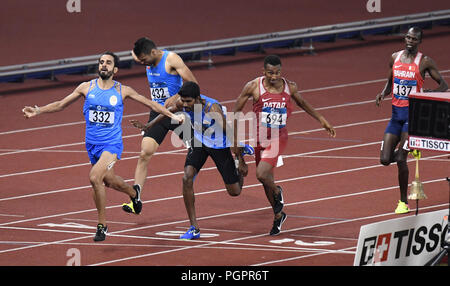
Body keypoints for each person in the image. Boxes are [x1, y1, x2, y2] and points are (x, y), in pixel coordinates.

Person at [22, 52, 183, 241]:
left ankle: (102, 225)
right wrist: (38, 110)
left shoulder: (123, 90)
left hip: (112, 145)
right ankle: (134, 195)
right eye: (101, 62)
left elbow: (151, 104)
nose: (103, 65)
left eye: (108, 63)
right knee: (109, 181)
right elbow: (61, 105)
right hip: (92, 145)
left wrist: (173, 116)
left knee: (94, 178)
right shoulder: (86, 87)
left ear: (115, 69)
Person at [131, 81, 253, 240]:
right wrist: (149, 126)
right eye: (183, 101)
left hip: (219, 145)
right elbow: (167, 112)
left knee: (235, 192)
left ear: (198, 99)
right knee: (186, 177)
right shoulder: (182, 102)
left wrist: (240, 160)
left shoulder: (212, 109)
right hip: (199, 142)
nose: (185, 105)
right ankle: (194, 228)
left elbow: (230, 133)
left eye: (189, 101)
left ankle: (238, 162)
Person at [233, 55, 336, 235]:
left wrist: (321, 119)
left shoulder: (290, 87)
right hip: (259, 139)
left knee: (261, 174)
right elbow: (236, 111)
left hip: (278, 138)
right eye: (270, 73)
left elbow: (303, 103)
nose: (274, 77)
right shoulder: (253, 87)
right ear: (263, 72)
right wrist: (236, 143)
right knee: (265, 182)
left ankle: (278, 191)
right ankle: (278, 214)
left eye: (278, 73)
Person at [375, 26, 448, 214]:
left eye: (414, 39)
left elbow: (444, 84)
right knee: (384, 160)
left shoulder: (424, 62)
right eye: (407, 37)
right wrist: (384, 93)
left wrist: (430, 93)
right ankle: (411, 148)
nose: (409, 41)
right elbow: (391, 79)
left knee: (400, 158)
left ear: (419, 41)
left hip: (413, 118)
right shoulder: (395, 57)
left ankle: (402, 202)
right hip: (395, 117)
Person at [122, 37, 198, 214]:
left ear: (154, 52)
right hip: (158, 112)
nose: (142, 63)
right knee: (144, 153)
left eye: (144, 60)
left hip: (178, 113)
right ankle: (135, 200)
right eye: (139, 60)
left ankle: (232, 157)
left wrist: (176, 96)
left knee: (201, 147)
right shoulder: (145, 56)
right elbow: (136, 54)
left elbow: (193, 83)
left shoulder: (171, 59)